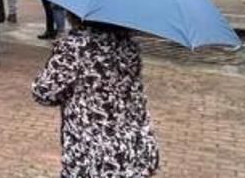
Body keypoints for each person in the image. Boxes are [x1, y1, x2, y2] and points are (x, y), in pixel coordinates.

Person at [32, 16, 159, 177]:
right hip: (132, 146)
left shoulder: (75, 47)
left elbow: (44, 92)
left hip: (92, 154)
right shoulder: (129, 45)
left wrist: (57, 57)